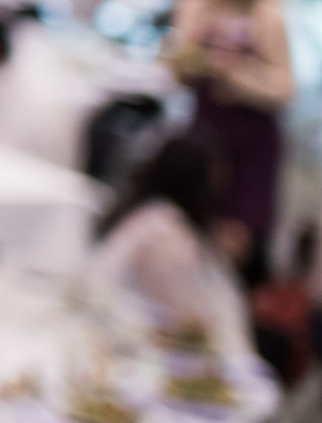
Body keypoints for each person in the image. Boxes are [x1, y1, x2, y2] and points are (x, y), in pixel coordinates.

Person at [166, 0, 295, 276]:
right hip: (205, 132)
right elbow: (180, 65)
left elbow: (284, 87)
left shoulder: (265, 9)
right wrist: (185, 62)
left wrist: (235, 75)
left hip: (249, 137)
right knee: (192, 230)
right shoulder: (194, 1)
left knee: (237, 238)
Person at [91, 134, 250, 355]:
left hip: (113, 328)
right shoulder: (164, 229)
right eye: (216, 170)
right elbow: (178, 312)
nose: (221, 179)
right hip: (113, 337)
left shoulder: (153, 215)